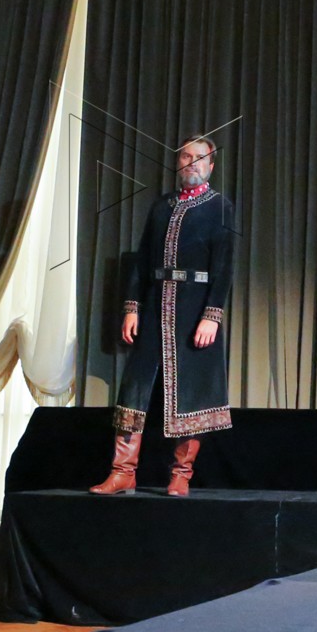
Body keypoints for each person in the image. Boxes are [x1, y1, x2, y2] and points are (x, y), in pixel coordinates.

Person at [90, 136, 236, 497]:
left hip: (193, 310)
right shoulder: (161, 206)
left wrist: (212, 315)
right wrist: (132, 307)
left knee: (191, 393)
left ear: (211, 165)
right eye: (186, 156)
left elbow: (224, 266)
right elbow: (142, 261)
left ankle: (181, 475)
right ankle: (122, 472)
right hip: (155, 307)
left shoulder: (220, 207)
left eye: (199, 157)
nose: (191, 163)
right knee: (135, 391)